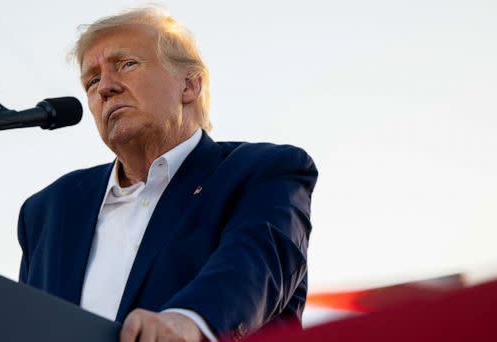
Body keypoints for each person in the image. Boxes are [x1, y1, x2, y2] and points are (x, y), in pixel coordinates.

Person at [17, 6, 317, 342]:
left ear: (189, 85)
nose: (105, 88)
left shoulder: (264, 170)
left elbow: (254, 264)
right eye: (92, 80)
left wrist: (190, 321)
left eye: (127, 64)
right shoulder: (48, 210)